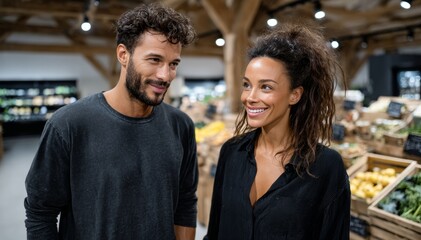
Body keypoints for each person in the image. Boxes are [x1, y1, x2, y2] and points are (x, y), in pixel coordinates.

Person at [24, 3, 198, 239]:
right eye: (154, 60)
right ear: (123, 55)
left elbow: (186, 204)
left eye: (173, 64)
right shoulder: (68, 125)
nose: (165, 75)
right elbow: (40, 214)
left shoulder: (181, 126)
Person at [205, 22, 351, 239]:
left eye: (266, 87)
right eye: (247, 84)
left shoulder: (326, 167)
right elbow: (214, 233)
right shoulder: (231, 152)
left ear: (295, 94)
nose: (250, 97)